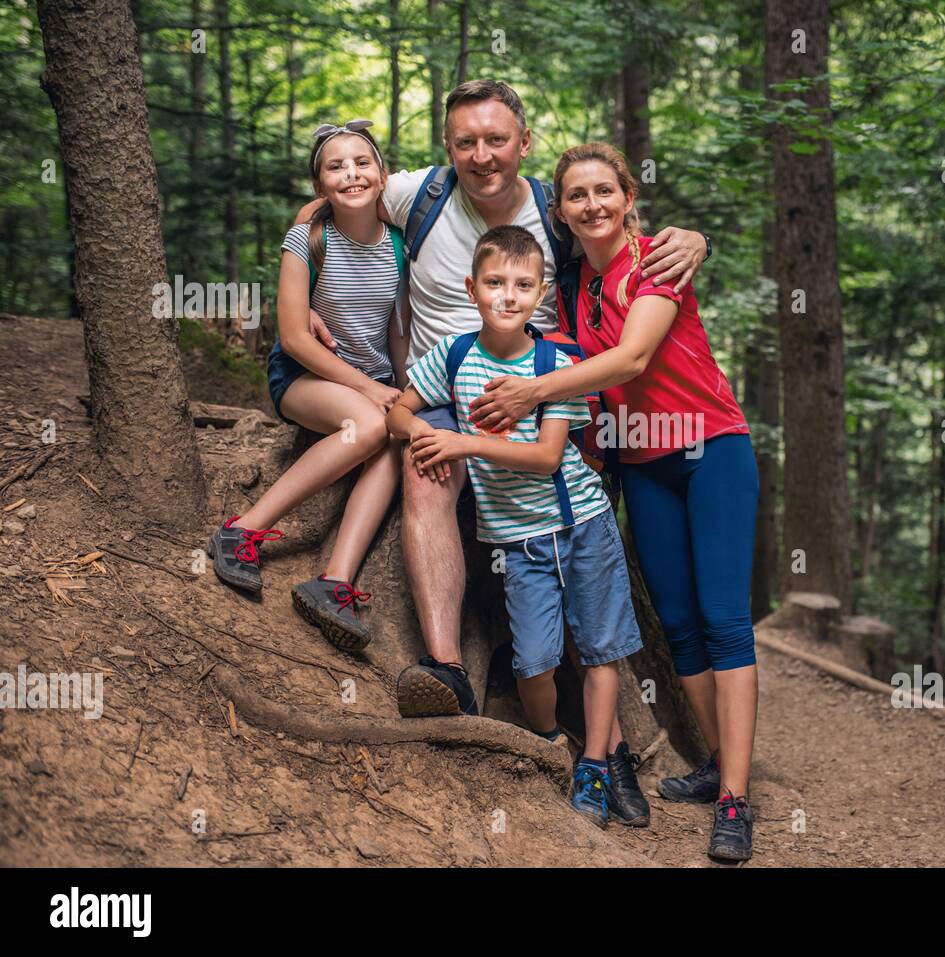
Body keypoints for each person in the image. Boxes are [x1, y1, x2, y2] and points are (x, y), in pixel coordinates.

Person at [467, 143, 758, 862]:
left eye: (605, 190)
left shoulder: (659, 259)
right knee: (683, 626)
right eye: (576, 196)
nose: (592, 204)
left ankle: (736, 801)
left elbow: (629, 359)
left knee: (724, 619)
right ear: (560, 212)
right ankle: (717, 764)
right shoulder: (577, 287)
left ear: (629, 197)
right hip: (643, 465)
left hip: (711, 450)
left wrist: (532, 392)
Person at [386, 226, 647, 828]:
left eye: (523, 285)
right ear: (471, 287)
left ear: (539, 295)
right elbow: (399, 409)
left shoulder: (555, 364)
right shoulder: (453, 356)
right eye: (496, 283)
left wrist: (461, 440)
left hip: (582, 523)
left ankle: (598, 767)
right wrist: (428, 435)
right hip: (516, 542)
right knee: (534, 662)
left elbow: (547, 457)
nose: (508, 296)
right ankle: (553, 741)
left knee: (602, 649)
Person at [208, 121, 405, 653]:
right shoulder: (307, 238)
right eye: (335, 167)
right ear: (320, 187)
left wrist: (404, 389)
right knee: (368, 425)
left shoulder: (399, 244)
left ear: (383, 174)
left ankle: (332, 582)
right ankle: (242, 529)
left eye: (362, 162)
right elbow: (295, 338)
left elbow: (395, 331)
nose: (352, 174)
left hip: (377, 381)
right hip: (305, 377)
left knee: (394, 441)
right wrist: (368, 388)